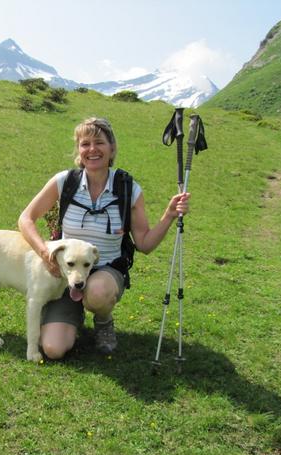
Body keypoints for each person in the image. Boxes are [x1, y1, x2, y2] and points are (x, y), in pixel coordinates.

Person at [18, 117, 190, 360]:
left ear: (112, 148)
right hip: (64, 273)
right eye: (85, 144)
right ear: (78, 151)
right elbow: (26, 219)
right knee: (53, 349)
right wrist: (45, 253)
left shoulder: (128, 189)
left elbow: (144, 244)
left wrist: (169, 215)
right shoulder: (64, 182)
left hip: (105, 273)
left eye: (99, 142)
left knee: (96, 292)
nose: (92, 150)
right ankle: (71, 314)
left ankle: (103, 320)